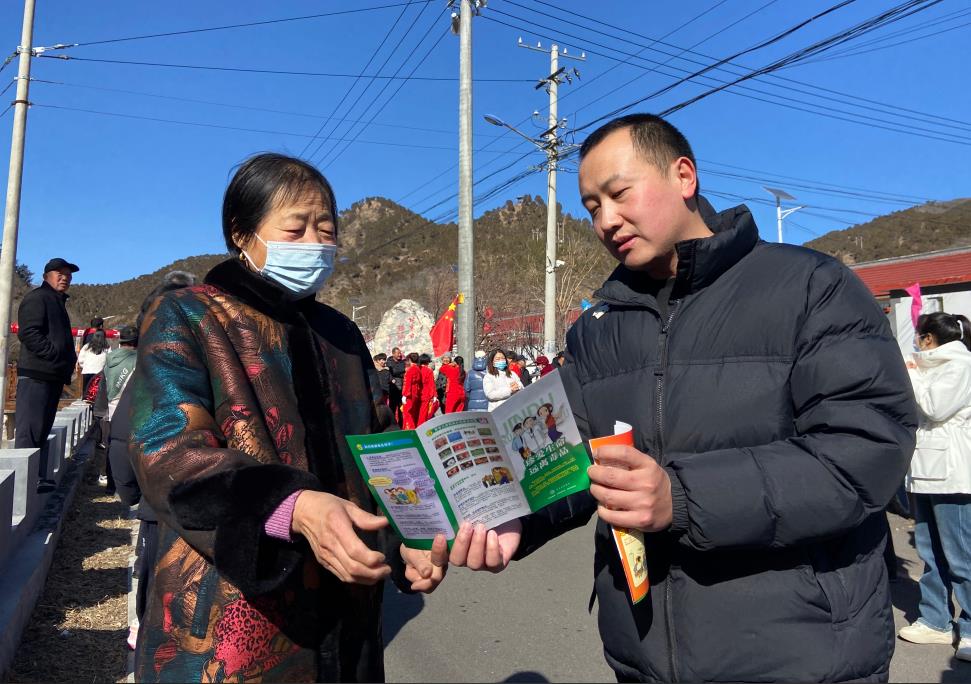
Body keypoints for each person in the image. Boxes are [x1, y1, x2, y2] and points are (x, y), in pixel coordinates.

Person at [450, 114, 917, 683]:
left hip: (802, 652)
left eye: (620, 193)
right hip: (644, 654)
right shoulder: (598, 329)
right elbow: (567, 457)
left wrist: (683, 497)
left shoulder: (811, 287)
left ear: (684, 176)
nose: (606, 220)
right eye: (592, 207)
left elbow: (864, 452)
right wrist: (515, 519)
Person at [128, 153, 446, 682]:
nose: (314, 244)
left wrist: (412, 537)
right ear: (242, 235)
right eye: (295, 229)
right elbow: (168, 451)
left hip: (349, 611)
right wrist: (290, 506)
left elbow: (383, 445)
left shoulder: (342, 334)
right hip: (233, 618)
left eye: (326, 230)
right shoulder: (189, 313)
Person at [105, 273, 195, 651]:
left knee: (158, 598)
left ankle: (148, 641)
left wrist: (132, 495)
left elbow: (121, 440)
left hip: (160, 512)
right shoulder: (227, 367)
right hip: (219, 518)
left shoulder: (149, 370)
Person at [897, 311, 971, 662]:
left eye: (919, 336)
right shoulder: (931, 366)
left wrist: (912, 374)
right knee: (930, 553)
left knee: (961, 555)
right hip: (925, 471)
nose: (915, 342)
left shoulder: (960, 365)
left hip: (953, 473)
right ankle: (936, 621)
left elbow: (935, 408)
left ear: (929, 338)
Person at [15, 257, 79, 493]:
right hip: (36, 374)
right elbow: (29, 333)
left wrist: (66, 361)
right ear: (46, 276)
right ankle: (22, 486)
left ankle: (38, 477)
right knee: (29, 432)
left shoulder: (57, 302)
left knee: (42, 431)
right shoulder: (38, 298)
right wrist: (53, 354)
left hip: (52, 375)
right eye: (59, 274)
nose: (65, 278)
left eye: (68, 275)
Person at [76, 329, 109, 397]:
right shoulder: (107, 348)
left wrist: (85, 366)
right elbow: (109, 360)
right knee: (98, 395)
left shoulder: (87, 346)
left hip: (87, 372)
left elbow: (81, 360)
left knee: (86, 393)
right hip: (100, 373)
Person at [401, 352, 422, 429]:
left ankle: (410, 428)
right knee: (412, 411)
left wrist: (405, 395)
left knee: (407, 412)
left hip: (410, 393)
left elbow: (408, 383)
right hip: (415, 391)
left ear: (409, 359)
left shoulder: (411, 369)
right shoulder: (418, 369)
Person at [417, 353, 438, 425]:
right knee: (423, 413)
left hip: (416, 393)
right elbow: (432, 384)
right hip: (426, 394)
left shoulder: (416, 369)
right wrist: (434, 395)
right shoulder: (429, 371)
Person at [387, 347, 406, 425]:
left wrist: (399, 372)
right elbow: (393, 371)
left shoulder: (402, 362)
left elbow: (402, 370)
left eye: (400, 353)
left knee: (401, 407)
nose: (399, 355)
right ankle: (392, 424)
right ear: (393, 354)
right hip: (393, 389)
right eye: (398, 353)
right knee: (392, 407)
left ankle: (402, 424)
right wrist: (401, 372)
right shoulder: (389, 362)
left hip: (402, 388)